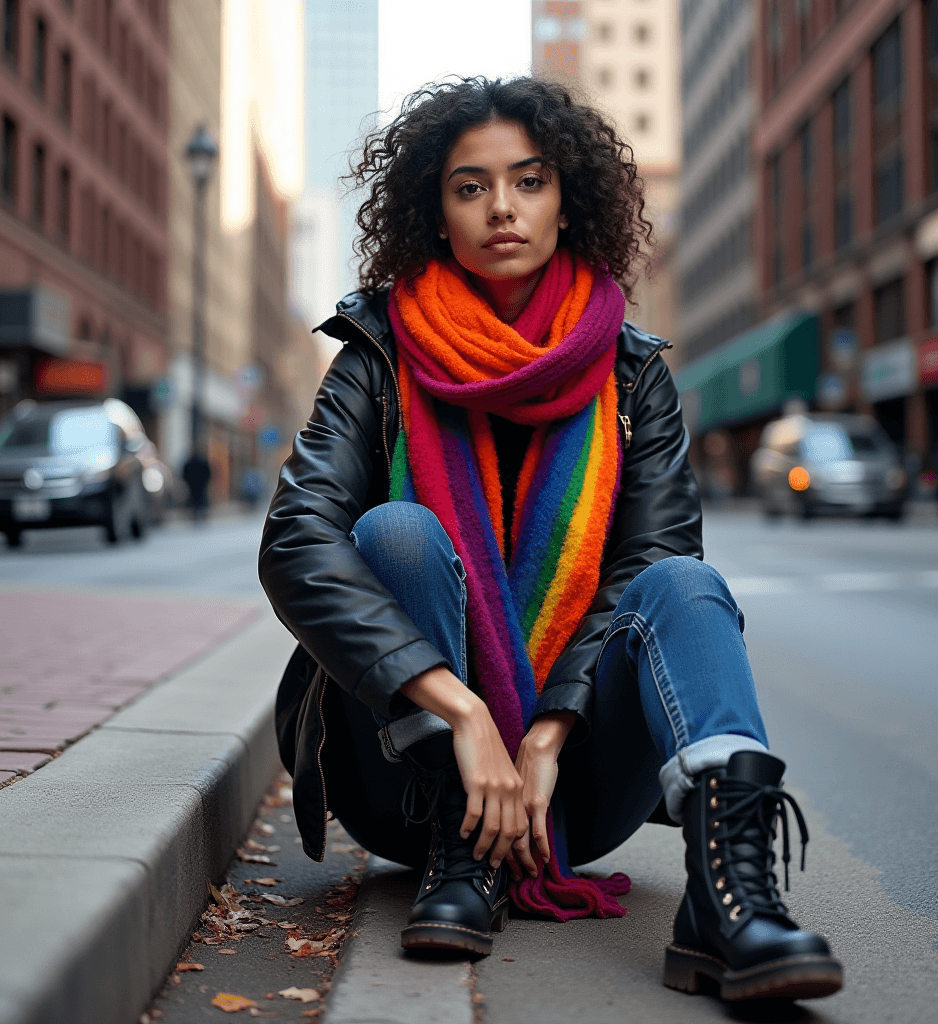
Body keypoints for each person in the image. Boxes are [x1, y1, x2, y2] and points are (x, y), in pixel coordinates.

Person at [259, 77, 843, 1005]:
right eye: (470, 186)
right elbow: (296, 539)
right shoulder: (376, 355)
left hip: (573, 780)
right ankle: (465, 846)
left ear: (568, 202)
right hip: (403, 776)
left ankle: (731, 897)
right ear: (434, 212)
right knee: (395, 534)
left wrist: (547, 730)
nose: (502, 208)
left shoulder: (632, 373)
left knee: (683, 583)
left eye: (528, 182)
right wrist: (463, 714)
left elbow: (650, 557)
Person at [181, 446, 212, 522]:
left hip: (193, 484)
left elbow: (184, 473)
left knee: (195, 499)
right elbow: (208, 472)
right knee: (201, 498)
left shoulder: (190, 461)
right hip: (200, 483)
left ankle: (196, 514)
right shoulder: (202, 461)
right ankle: (200, 514)